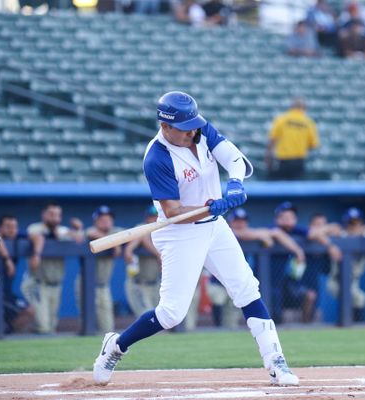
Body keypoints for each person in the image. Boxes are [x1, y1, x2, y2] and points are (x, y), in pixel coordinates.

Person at [92, 91, 299, 386]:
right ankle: (116, 345)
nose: (192, 131)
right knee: (171, 314)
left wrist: (235, 184)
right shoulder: (157, 157)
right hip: (179, 233)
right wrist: (209, 206)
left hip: (214, 226)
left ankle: (276, 361)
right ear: (165, 127)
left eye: (194, 124)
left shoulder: (200, 131)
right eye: (184, 127)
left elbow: (234, 158)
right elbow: (174, 210)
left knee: (246, 288)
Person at [208, 207, 305, 327]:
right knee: (218, 307)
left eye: (243, 220)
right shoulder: (224, 232)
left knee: (231, 320)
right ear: (230, 221)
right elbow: (238, 233)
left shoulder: (251, 233)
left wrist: (298, 251)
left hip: (235, 282)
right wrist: (259, 235)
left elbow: (276, 232)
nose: (240, 223)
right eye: (237, 220)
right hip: (217, 281)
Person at [22, 202, 84, 334]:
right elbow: (37, 235)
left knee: (51, 326)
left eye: (58, 215)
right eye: (51, 214)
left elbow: (79, 239)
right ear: (43, 215)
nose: (55, 218)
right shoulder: (35, 227)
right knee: (43, 326)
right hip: (38, 284)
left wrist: (78, 230)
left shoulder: (62, 230)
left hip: (56, 285)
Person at [273, 202, 340, 323]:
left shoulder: (297, 230)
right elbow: (276, 233)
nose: (289, 220)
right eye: (285, 217)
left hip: (292, 285)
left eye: (291, 216)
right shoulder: (272, 229)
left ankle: (305, 326)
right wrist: (298, 250)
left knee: (310, 297)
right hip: (270, 283)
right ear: (277, 219)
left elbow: (314, 233)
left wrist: (330, 246)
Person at [265, 99, 319, 180]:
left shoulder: (282, 119)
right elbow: (313, 145)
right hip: (299, 161)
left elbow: (272, 139)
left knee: (281, 187)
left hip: (283, 161)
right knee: (296, 188)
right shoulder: (308, 122)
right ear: (304, 108)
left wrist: (268, 157)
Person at [0, 215, 35, 333]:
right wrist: (7, 259)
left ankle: (9, 332)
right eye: (8, 227)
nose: (11, 230)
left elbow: (38, 237)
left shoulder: (18, 236)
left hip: (6, 293)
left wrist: (36, 255)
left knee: (29, 310)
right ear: (0, 228)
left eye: (14, 227)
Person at [123, 206, 162, 317]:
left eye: (156, 217)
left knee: (159, 319)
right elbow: (128, 251)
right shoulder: (141, 228)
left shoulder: (163, 232)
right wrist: (156, 253)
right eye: (151, 217)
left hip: (156, 284)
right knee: (148, 317)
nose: (154, 220)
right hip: (139, 284)